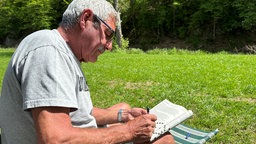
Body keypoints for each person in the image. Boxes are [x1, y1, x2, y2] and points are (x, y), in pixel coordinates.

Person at [0, 0, 175, 143]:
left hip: (77, 132)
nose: (109, 45)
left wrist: (125, 116)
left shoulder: (62, 52)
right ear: (86, 18)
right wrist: (128, 131)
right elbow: (54, 139)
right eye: (108, 34)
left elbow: (79, 113)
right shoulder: (48, 50)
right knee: (164, 139)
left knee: (124, 107)